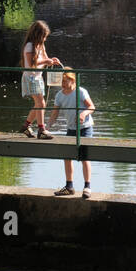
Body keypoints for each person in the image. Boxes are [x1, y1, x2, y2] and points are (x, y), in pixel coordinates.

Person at [52, 70, 94, 198]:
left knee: (84, 157)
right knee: (67, 156)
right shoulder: (59, 95)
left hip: (85, 128)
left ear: (73, 80)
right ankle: (69, 187)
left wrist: (83, 114)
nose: (63, 84)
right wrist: (45, 127)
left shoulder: (81, 91)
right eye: (61, 81)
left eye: (65, 81)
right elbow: (54, 114)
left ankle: (87, 187)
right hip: (71, 129)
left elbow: (92, 107)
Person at [20, 19, 61, 139]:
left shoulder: (41, 45)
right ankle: (41, 130)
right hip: (30, 77)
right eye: (43, 36)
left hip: (38, 77)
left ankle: (26, 126)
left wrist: (52, 60)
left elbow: (46, 59)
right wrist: (45, 61)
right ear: (37, 34)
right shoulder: (29, 46)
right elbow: (32, 62)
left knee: (39, 104)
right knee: (41, 103)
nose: (45, 39)